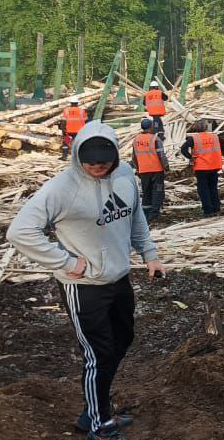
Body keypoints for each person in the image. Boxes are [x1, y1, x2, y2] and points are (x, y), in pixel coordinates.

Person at [6, 120, 165, 440]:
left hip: (119, 279)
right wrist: (64, 261)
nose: (96, 167)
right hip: (83, 286)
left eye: (103, 161)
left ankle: (94, 410)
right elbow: (19, 232)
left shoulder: (124, 177)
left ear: (115, 156)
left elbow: (135, 217)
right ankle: (99, 425)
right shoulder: (60, 188)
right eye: (89, 161)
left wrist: (149, 253)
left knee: (122, 341)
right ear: (78, 155)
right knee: (99, 353)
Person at [180, 121, 224, 217]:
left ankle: (208, 211)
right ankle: (216, 208)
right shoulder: (214, 137)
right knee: (213, 188)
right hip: (214, 166)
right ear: (206, 127)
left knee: (203, 190)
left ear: (196, 128)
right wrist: (219, 154)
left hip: (201, 167)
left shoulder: (194, 139)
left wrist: (190, 157)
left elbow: (183, 149)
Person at [131, 119, 168, 220]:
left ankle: (146, 213)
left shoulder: (136, 140)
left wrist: (138, 169)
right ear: (151, 126)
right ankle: (154, 213)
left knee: (146, 191)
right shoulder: (155, 139)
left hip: (143, 170)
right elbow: (161, 155)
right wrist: (166, 166)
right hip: (156, 170)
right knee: (157, 191)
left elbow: (134, 157)